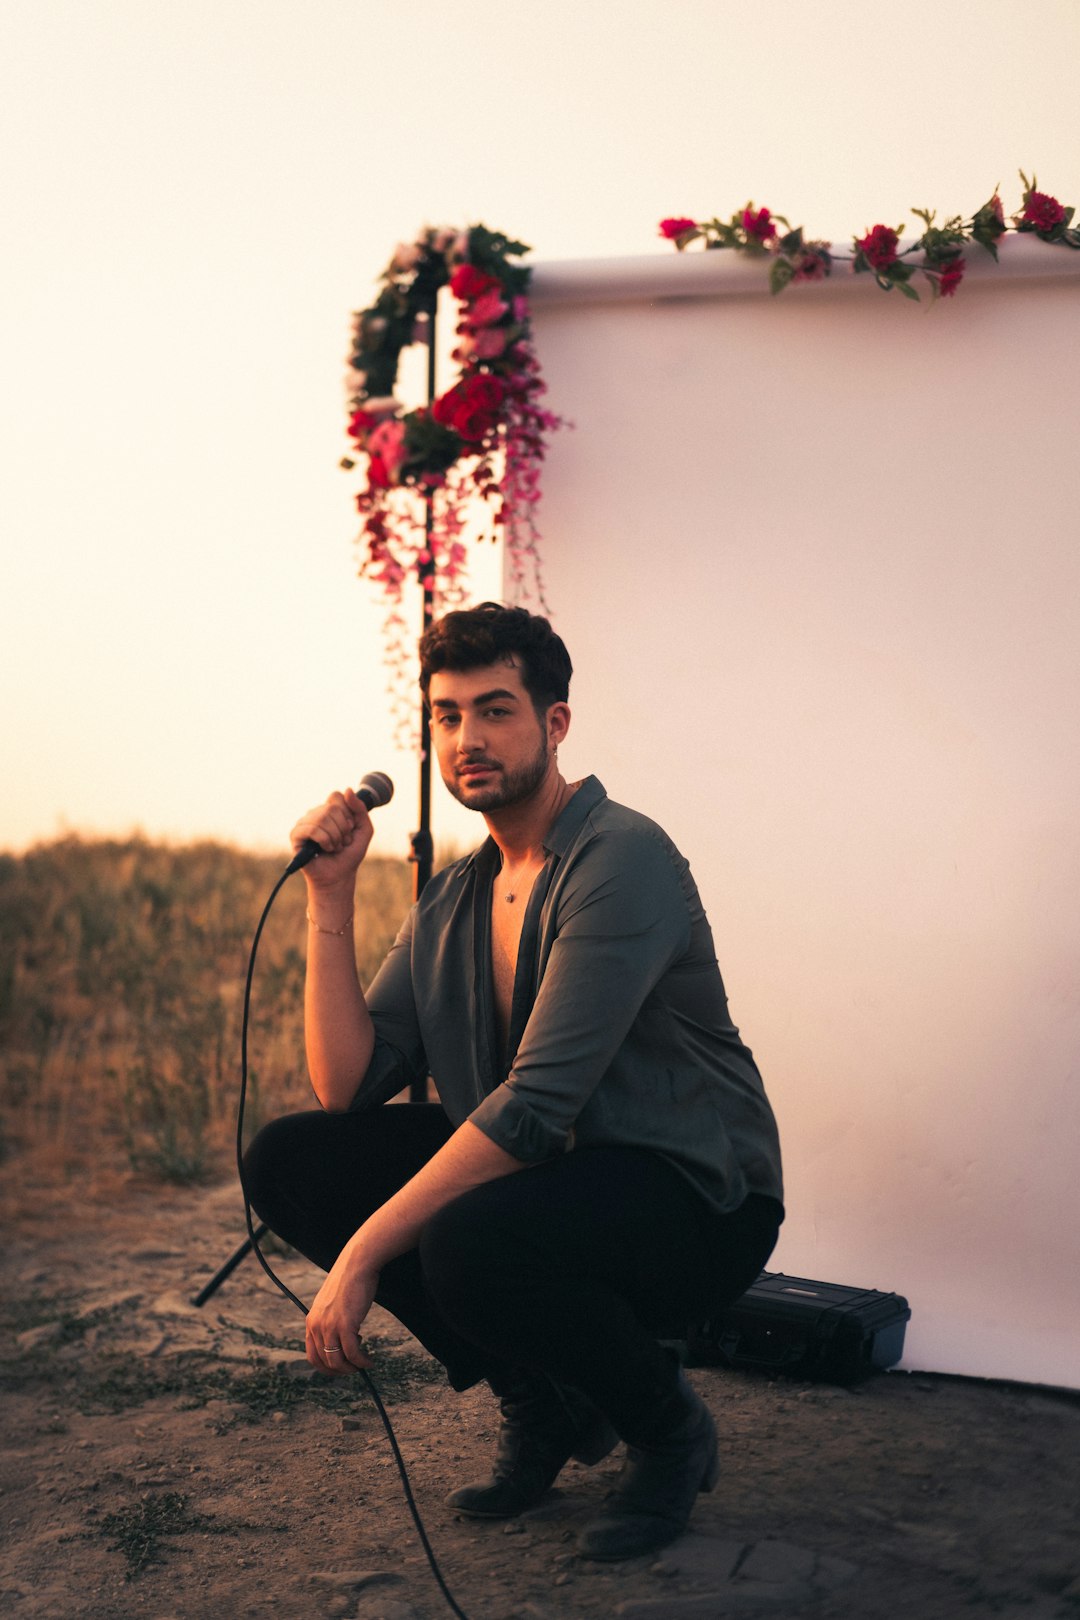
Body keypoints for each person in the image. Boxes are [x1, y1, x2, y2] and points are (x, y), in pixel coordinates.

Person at [243, 601, 783, 1561]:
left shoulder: (623, 859)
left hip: (696, 1196)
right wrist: (332, 897)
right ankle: (548, 1402)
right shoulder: (456, 896)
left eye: (495, 710)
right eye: (447, 716)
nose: (467, 739)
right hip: (557, 1179)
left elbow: (534, 1107)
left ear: (555, 723)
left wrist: (364, 1253)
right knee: (293, 1157)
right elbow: (349, 1083)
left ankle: (665, 1429)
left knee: (466, 1240)